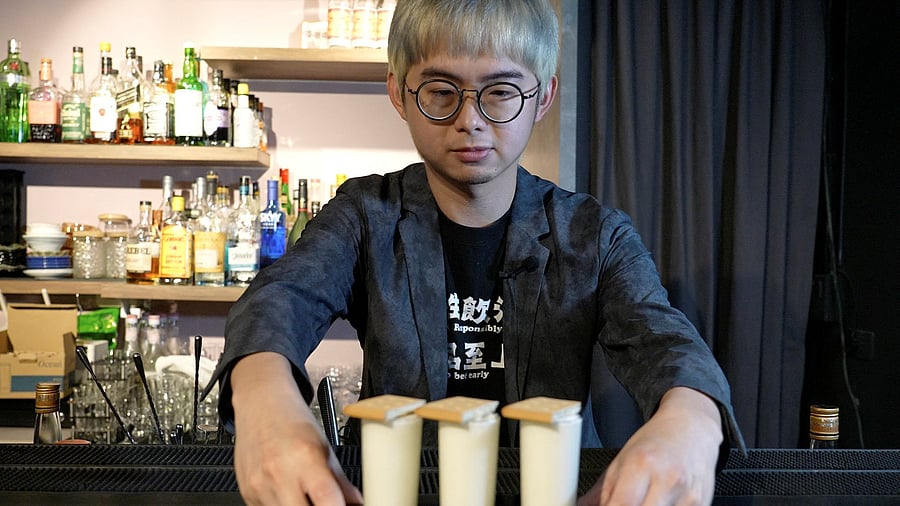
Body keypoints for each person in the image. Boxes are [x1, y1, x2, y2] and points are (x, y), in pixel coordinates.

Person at [211, 0, 744, 504]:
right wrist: (267, 404)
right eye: (442, 91)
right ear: (398, 92)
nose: (471, 119)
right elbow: (280, 297)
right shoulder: (365, 214)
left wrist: (691, 421)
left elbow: (664, 340)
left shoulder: (594, 234)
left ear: (543, 97)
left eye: (502, 91)